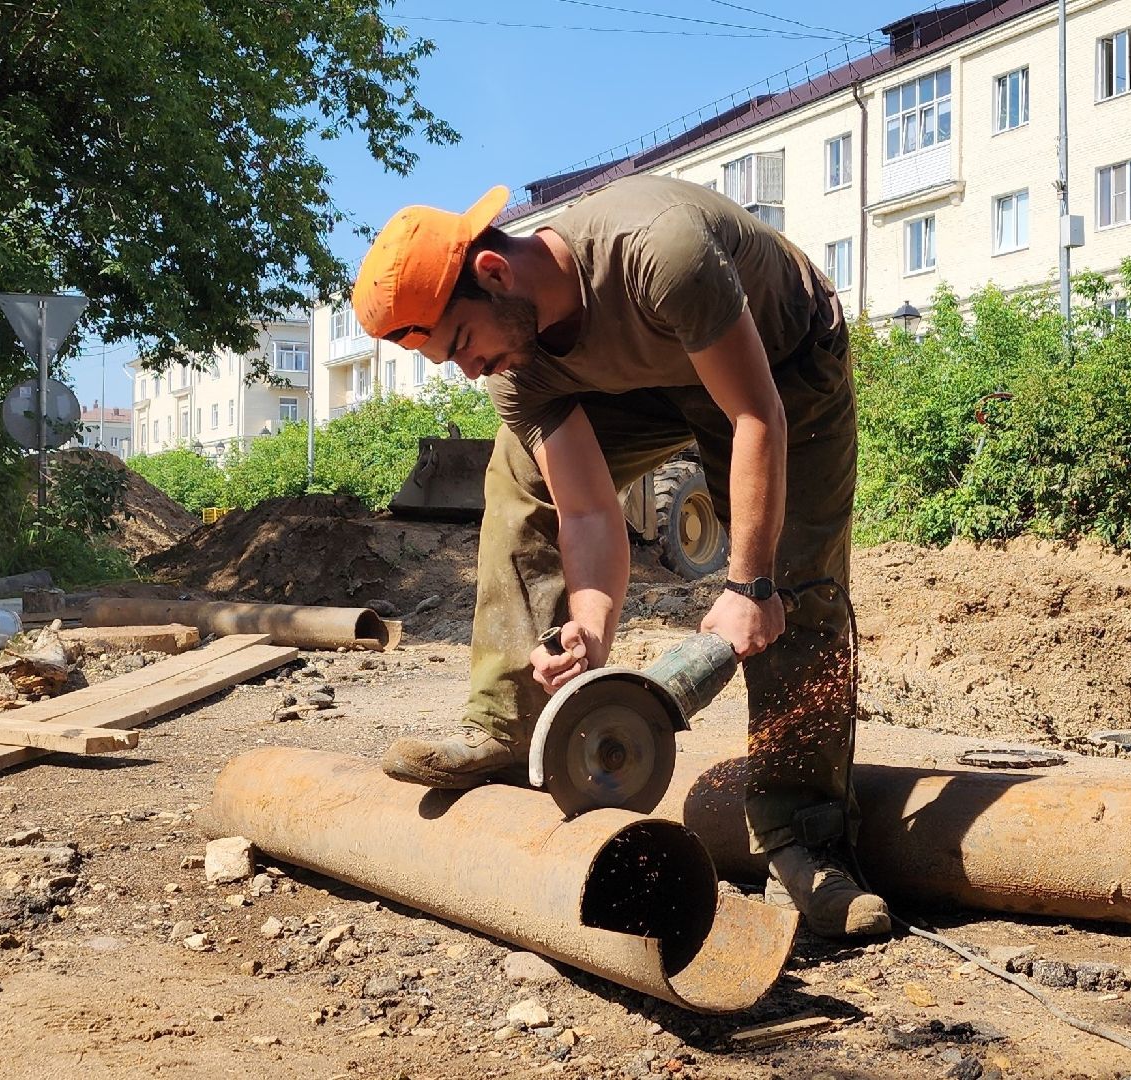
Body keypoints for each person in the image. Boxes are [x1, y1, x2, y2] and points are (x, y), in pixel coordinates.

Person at [351, 176, 887, 937]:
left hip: (780, 367)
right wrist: (589, 625)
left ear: (494, 274)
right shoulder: (518, 367)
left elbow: (752, 415)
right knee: (520, 478)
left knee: (798, 584)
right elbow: (588, 510)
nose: (469, 370)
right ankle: (506, 728)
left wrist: (749, 581)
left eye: (464, 345)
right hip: (636, 386)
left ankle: (804, 837)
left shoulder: (657, 251)